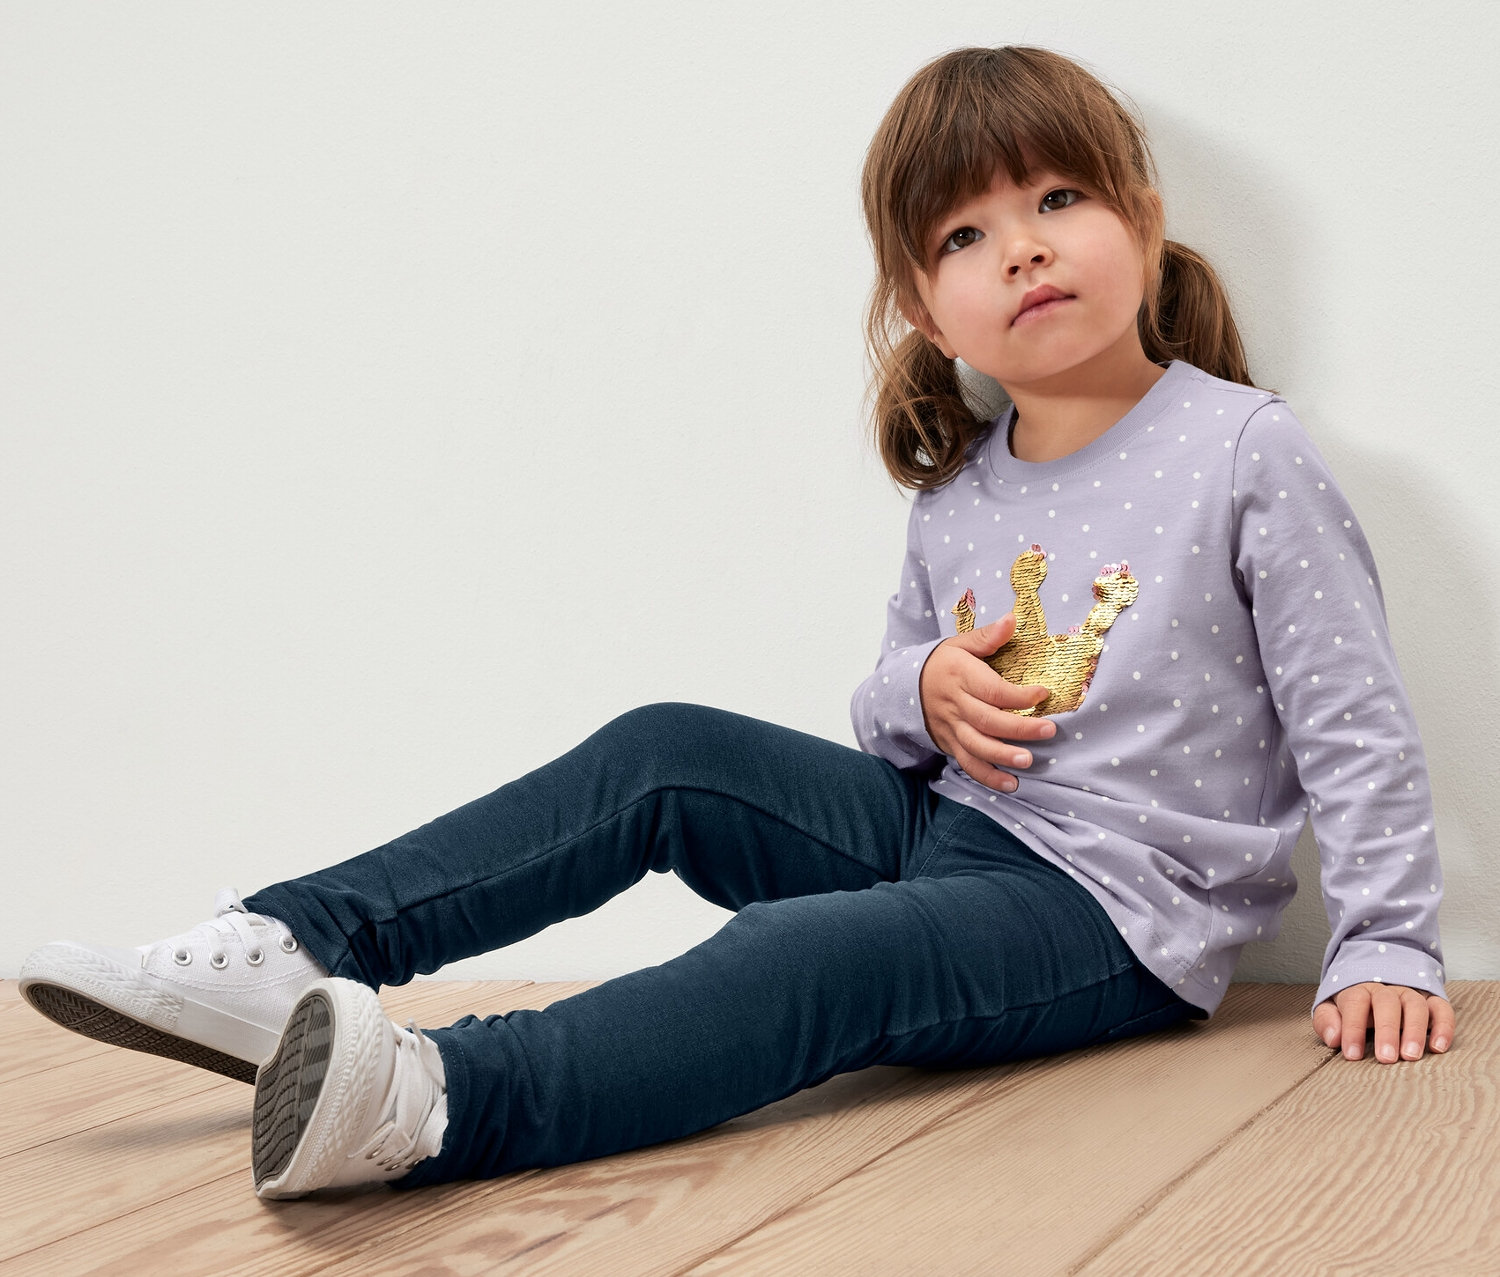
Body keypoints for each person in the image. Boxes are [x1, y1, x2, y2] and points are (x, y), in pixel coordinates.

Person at [18, 45, 1455, 1201]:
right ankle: (292, 946)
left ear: (1142, 219)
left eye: (1059, 201)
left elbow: (1351, 717)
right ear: (924, 305)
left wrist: (1386, 936)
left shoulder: (1241, 449)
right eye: (970, 231)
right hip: (952, 830)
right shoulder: (960, 490)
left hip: (1115, 914)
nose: (1023, 248)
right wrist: (926, 688)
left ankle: (441, 1101)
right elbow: (882, 704)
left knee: (810, 959)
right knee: (663, 751)